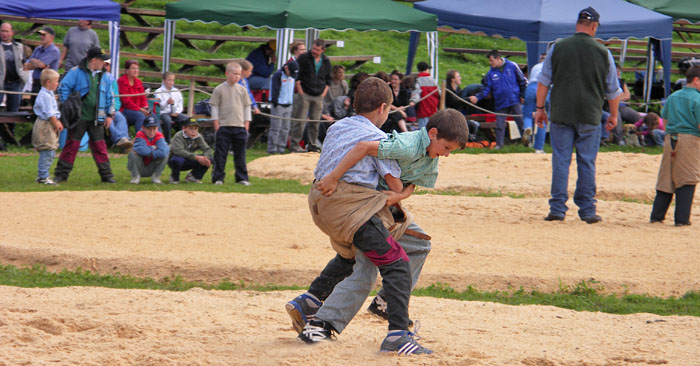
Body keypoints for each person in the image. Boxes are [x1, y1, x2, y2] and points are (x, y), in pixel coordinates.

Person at [291, 109, 468, 352]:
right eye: (446, 147)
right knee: (368, 264)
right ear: (433, 134)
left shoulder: (431, 155)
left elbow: (412, 183)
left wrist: (400, 194)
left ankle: (383, 302)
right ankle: (322, 323)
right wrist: (333, 177)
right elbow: (364, 148)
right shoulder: (404, 144)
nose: (447, 155)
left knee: (419, 243)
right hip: (363, 204)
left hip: (384, 205)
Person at [535, 7, 622, 224]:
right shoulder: (604, 53)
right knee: (587, 161)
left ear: (577, 24)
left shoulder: (558, 47)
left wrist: (539, 109)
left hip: (561, 112)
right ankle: (587, 210)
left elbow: (543, 81)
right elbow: (613, 90)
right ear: (594, 26)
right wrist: (613, 115)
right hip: (590, 114)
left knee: (561, 160)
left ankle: (557, 208)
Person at [54, 46, 116, 184]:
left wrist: (109, 115)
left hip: (97, 117)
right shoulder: (76, 72)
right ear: (93, 60)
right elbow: (64, 87)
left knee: (100, 148)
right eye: (102, 60)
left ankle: (107, 176)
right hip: (79, 117)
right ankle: (61, 175)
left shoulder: (105, 76)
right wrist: (68, 105)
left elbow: (110, 96)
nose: (104, 63)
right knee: (71, 146)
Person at [649, 65, 700, 226]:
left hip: (670, 137)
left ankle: (657, 216)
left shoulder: (674, 96)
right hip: (690, 139)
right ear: (697, 80)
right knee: (687, 177)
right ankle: (682, 219)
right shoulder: (698, 99)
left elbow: (664, 119)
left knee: (666, 177)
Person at [469, 50, 527, 149]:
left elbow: (522, 81)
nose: (490, 63)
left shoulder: (512, 66)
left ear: (498, 59)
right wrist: (477, 97)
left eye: (491, 60)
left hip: (514, 100)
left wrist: (523, 95)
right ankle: (499, 145)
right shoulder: (490, 73)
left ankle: (527, 143)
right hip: (501, 102)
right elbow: (486, 88)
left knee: (520, 122)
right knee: (499, 125)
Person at [209, 62, 252, 186]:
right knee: (220, 154)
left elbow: (246, 108)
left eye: (239, 74)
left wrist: (246, 125)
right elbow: (215, 107)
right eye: (234, 74)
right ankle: (218, 177)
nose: (237, 77)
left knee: (240, 154)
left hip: (239, 126)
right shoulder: (219, 89)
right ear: (227, 74)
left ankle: (241, 177)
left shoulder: (242, 90)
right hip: (224, 126)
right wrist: (217, 124)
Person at [289, 39, 331, 153]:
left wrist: (323, 94)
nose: (314, 51)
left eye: (317, 50)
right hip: (305, 93)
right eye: (313, 49)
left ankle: (312, 144)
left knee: (315, 122)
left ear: (323, 50)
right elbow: (298, 77)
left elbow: (328, 80)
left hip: (318, 95)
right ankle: (295, 145)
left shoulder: (326, 61)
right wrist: (301, 93)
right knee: (300, 121)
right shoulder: (303, 58)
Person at [31, 69, 62, 185]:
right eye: (56, 81)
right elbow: (49, 113)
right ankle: (43, 177)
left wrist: (56, 122)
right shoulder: (45, 96)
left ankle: (44, 175)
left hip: (50, 123)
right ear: (48, 82)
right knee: (47, 149)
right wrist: (56, 124)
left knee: (51, 149)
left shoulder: (50, 94)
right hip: (45, 125)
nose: (57, 84)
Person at [0, 22, 29, 142]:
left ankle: (10, 138)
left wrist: (24, 76)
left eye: (7, 31)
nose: (4, 34)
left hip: (15, 82)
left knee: (14, 111)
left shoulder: (18, 47)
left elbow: (23, 63)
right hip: (1, 82)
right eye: (2, 31)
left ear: (12, 33)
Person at [168, 118, 212, 184]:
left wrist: (205, 158)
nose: (194, 131)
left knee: (210, 159)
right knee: (177, 160)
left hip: (189, 159)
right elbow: (178, 151)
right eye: (191, 128)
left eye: (196, 129)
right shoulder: (178, 136)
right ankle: (174, 178)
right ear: (184, 128)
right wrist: (196, 158)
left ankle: (193, 177)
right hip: (175, 159)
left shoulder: (198, 137)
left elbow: (207, 149)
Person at [267, 60, 298, 154]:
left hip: (289, 105)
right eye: (290, 72)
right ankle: (272, 149)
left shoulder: (293, 76)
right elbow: (275, 90)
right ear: (286, 68)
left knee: (285, 128)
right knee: (276, 128)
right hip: (279, 105)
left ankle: (281, 148)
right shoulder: (278, 75)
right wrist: (275, 102)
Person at [128, 115, 169, 184]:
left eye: (154, 128)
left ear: (157, 128)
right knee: (132, 154)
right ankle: (135, 177)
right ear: (143, 128)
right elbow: (140, 149)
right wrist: (153, 148)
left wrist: (149, 150)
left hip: (152, 166)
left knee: (165, 156)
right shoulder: (140, 134)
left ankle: (156, 177)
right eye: (148, 128)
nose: (151, 131)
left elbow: (164, 151)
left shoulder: (159, 135)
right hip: (140, 166)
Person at [103, 59, 133, 152]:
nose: (105, 67)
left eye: (107, 65)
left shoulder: (112, 80)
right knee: (109, 121)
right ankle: (119, 141)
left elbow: (116, 97)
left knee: (120, 118)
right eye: (104, 64)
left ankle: (124, 139)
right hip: (100, 109)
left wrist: (113, 109)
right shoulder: (96, 78)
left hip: (112, 108)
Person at [24, 27, 60, 101]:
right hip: (36, 82)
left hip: (47, 84)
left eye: (44, 35)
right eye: (41, 35)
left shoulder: (54, 51)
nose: (41, 37)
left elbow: (41, 64)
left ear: (51, 37)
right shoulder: (38, 49)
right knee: (34, 104)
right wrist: (37, 63)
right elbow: (26, 66)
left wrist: (33, 61)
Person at [445, 69, 480, 140]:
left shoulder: (457, 88)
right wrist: (469, 99)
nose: (460, 78)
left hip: (458, 114)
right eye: (458, 76)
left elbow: (460, 100)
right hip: (449, 116)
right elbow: (455, 103)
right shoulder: (447, 90)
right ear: (452, 80)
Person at [523, 54, 548, 153]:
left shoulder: (535, 67)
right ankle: (539, 148)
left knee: (528, 114)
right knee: (543, 118)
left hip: (531, 88)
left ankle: (527, 127)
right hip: (544, 88)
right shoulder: (550, 68)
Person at [155, 71, 189, 143]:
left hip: (175, 113)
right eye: (169, 80)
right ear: (164, 80)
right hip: (164, 113)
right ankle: (168, 141)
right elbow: (159, 106)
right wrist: (166, 102)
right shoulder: (158, 91)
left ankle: (181, 140)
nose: (171, 82)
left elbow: (180, 104)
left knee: (186, 119)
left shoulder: (176, 91)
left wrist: (177, 112)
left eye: (172, 80)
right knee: (167, 121)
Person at [118, 59, 151, 133]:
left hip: (138, 109)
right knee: (140, 116)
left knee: (153, 116)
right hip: (125, 109)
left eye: (137, 68)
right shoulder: (122, 81)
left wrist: (145, 107)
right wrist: (140, 109)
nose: (135, 70)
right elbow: (126, 101)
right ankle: (140, 139)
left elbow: (143, 97)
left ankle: (158, 140)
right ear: (126, 71)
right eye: (133, 68)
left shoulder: (138, 82)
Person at [410, 61, 439, 130]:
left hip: (423, 109)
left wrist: (413, 101)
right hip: (433, 108)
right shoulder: (433, 80)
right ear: (427, 69)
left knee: (423, 129)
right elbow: (439, 92)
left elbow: (416, 92)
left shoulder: (418, 80)